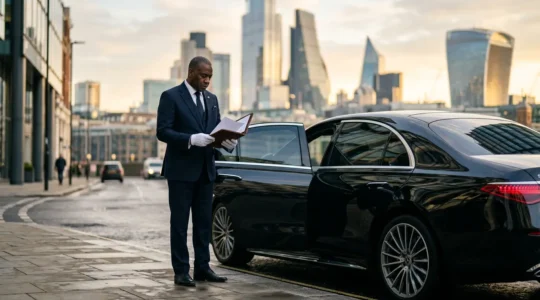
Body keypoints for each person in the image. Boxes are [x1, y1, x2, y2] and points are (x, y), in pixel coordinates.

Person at [156, 56, 237, 287]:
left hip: (205, 171)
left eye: (210, 76)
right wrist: (191, 139)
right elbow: (163, 132)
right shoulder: (171, 96)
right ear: (191, 72)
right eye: (203, 76)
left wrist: (227, 142)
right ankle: (181, 272)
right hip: (181, 172)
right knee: (180, 225)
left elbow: (216, 130)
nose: (207, 80)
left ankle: (203, 268)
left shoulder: (212, 99)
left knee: (203, 224)